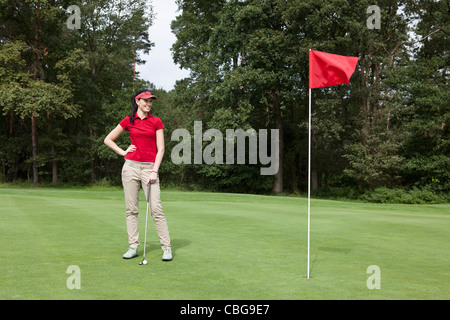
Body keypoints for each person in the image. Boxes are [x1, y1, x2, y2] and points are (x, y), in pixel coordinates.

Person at [104, 89, 172, 261]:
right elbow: (108, 139)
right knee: (131, 210)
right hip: (131, 167)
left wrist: (154, 171)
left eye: (151, 101)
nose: (149, 104)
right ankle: (133, 246)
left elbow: (161, 149)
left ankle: (167, 248)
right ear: (138, 101)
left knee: (156, 209)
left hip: (150, 168)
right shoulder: (128, 120)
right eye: (146, 101)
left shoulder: (156, 122)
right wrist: (123, 152)